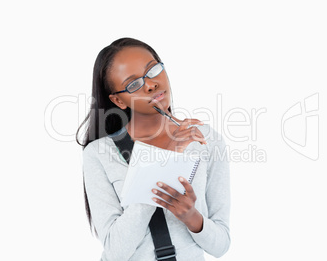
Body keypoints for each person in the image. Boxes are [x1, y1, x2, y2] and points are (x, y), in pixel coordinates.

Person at [77, 37, 230, 261]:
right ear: (118, 101)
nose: (150, 84)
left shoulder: (204, 139)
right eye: (133, 84)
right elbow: (115, 252)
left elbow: (221, 245)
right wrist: (166, 156)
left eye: (153, 70)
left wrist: (192, 218)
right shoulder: (99, 153)